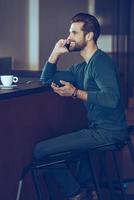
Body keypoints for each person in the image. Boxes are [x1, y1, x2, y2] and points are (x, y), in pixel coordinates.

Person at [33, 13, 128, 200]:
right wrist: (55, 53)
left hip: (109, 132)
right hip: (98, 130)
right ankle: (87, 190)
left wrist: (76, 93)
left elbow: (112, 99)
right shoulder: (81, 68)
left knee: (40, 151)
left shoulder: (101, 62)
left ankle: (76, 194)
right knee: (71, 154)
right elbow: (46, 79)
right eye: (70, 33)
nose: (69, 38)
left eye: (74, 33)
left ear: (89, 36)